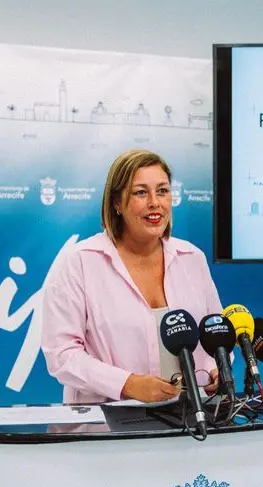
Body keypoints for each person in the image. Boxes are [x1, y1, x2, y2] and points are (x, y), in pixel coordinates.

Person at [41, 149, 224, 404]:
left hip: (191, 417)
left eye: (162, 191)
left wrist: (218, 368)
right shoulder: (80, 261)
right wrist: (127, 384)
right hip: (106, 424)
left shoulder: (192, 257)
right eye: (140, 192)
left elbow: (215, 333)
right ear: (116, 202)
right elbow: (62, 355)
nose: (154, 203)